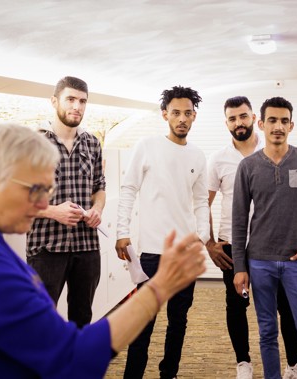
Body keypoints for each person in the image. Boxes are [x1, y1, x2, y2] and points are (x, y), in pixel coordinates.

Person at [0, 123, 206, 378]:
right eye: (35, 189)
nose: (45, 204)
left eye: (48, 190)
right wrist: (159, 289)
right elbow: (72, 358)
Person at [207, 96, 297, 379]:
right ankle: (244, 363)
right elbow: (203, 203)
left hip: (271, 244)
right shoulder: (218, 159)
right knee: (237, 306)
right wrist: (210, 242)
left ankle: (293, 364)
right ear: (226, 123)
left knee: (285, 307)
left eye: (243, 116)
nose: (238, 123)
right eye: (232, 118)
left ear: (254, 119)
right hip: (231, 244)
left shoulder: (274, 151)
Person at [232, 96, 297, 379]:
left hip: (296, 262)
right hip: (259, 262)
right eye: (272, 120)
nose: (278, 126)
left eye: (284, 121)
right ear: (260, 124)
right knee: (267, 333)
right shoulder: (248, 167)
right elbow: (239, 221)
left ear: (291, 125)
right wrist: (240, 267)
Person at [115, 85, 210, 379]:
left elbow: (200, 202)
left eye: (187, 113)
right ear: (165, 114)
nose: (182, 118)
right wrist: (121, 230)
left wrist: (202, 235)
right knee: (143, 321)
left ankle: (168, 374)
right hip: (152, 254)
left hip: (184, 253)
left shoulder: (197, 155)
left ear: (194, 116)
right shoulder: (147, 146)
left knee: (178, 322)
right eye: (176, 113)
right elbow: (129, 188)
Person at [26, 76, 106, 328]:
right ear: (54, 101)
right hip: (47, 247)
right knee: (41, 320)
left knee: (82, 318)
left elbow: (99, 187)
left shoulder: (92, 143)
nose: (77, 106)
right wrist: (53, 211)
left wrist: (97, 209)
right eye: (70, 99)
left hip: (87, 246)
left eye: (83, 101)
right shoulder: (32, 143)